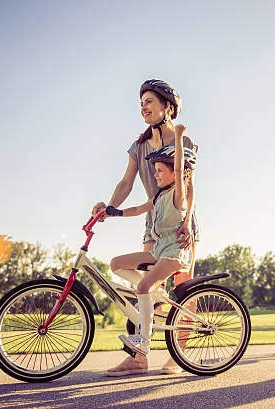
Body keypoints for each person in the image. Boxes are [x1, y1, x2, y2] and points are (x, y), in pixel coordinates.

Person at [93, 79, 198, 375]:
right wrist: (109, 208)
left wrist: (188, 222)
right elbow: (126, 182)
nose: (143, 107)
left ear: (168, 107)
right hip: (153, 225)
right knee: (146, 290)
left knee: (182, 291)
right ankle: (138, 358)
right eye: (141, 103)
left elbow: (190, 188)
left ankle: (178, 357)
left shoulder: (183, 143)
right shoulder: (138, 147)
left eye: (149, 102)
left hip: (181, 225)